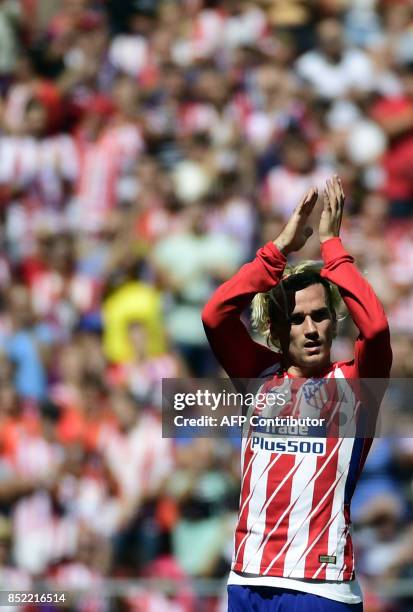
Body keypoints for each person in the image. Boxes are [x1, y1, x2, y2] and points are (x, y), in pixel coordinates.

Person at [202, 176, 392, 611]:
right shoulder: (257, 375)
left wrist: (332, 248)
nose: (311, 329)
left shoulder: (356, 386)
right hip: (247, 580)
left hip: (320, 588)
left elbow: (377, 328)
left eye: (321, 316)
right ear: (274, 330)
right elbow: (215, 316)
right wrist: (278, 249)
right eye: (298, 318)